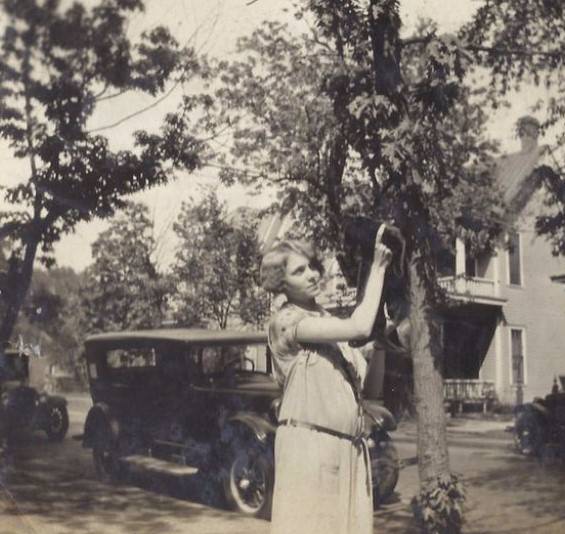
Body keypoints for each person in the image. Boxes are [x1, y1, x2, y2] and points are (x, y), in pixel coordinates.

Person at [261, 230, 392, 534]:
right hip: (309, 448)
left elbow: (372, 391)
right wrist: (379, 268)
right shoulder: (287, 322)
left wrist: (381, 343)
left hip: (349, 449)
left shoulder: (330, 326)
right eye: (298, 270)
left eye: (312, 266)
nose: (312, 274)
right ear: (281, 283)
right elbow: (359, 326)